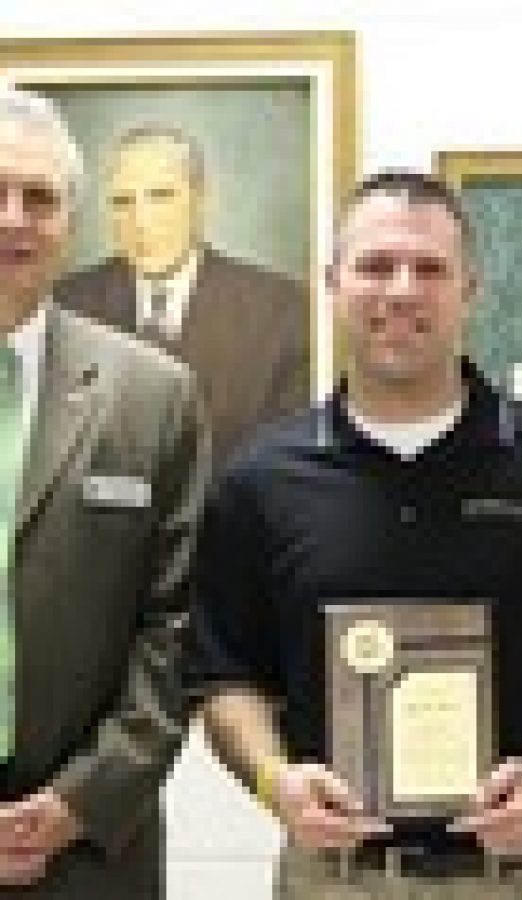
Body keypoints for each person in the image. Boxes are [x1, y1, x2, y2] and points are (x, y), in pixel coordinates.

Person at [191, 170, 522, 898]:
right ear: (332, 284)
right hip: (331, 880)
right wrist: (276, 784)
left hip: (519, 877)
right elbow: (226, 675)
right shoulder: (258, 479)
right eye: (374, 266)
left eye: (429, 269)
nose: (401, 291)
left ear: (470, 290)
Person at [0, 89, 207, 898]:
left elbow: (177, 622)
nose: (14, 217)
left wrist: (81, 800)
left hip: (88, 851)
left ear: (72, 224)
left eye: (40, 198)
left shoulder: (153, 395)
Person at [55, 123, 307, 469]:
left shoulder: (282, 310)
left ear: (201, 200)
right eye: (122, 202)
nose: (141, 221)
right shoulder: (65, 303)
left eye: (161, 196)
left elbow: (290, 465)